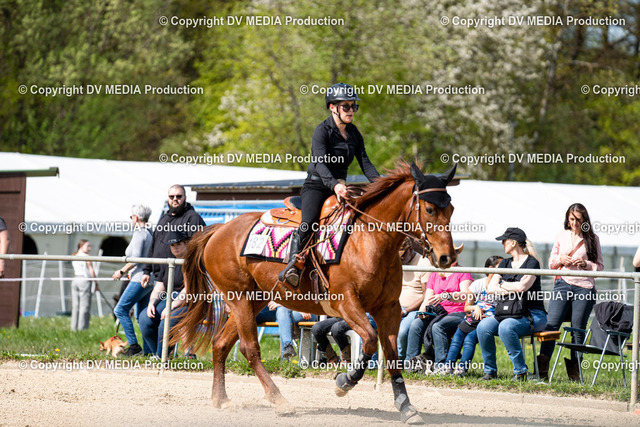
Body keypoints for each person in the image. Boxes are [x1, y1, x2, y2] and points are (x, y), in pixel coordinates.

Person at [279, 82, 380, 287]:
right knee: (309, 222)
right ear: (332, 107)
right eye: (346, 106)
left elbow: (366, 164)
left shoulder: (354, 133)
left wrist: (383, 186)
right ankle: (294, 264)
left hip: (340, 188)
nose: (351, 111)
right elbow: (320, 163)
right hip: (317, 186)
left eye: (354, 106)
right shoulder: (321, 131)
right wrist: (334, 185)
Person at [538, 204, 604, 380]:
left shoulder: (593, 238)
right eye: (572, 219)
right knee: (551, 325)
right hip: (562, 284)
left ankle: (575, 374)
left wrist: (585, 264)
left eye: (578, 220)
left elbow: (600, 267)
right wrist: (561, 259)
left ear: (585, 220)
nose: (574, 223)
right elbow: (551, 263)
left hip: (584, 287)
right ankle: (542, 372)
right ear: (567, 219)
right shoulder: (561, 235)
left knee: (577, 329)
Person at [477, 227, 547, 381]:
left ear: (513, 242)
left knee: (506, 327)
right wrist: (512, 286)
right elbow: (490, 289)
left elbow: (522, 287)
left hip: (532, 314)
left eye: (504, 241)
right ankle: (490, 371)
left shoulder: (532, 263)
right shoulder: (505, 263)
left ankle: (521, 372)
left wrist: (502, 284)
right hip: (507, 312)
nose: (502, 243)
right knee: (483, 326)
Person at [443, 256, 503, 377]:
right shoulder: (477, 284)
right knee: (457, 337)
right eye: (501, 266)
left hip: (487, 321)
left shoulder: (503, 286)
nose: (505, 268)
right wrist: (476, 308)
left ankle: (462, 368)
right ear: (491, 268)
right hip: (473, 318)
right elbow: (467, 307)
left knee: (469, 339)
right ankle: (447, 366)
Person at [405, 263, 472, 369]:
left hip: (458, 311)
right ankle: (410, 363)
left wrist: (447, 296)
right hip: (438, 312)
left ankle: (441, 365)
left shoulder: (462, 272)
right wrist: (421, 312)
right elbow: (428, 299)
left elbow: (466, 295)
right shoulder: (434, 275)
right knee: (416, 324)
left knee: (437, 326)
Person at [141, 184, 205, 288]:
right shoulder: (164, 218)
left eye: (178, 196)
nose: (175, 199)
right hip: (159, 278)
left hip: (180, 281)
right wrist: (146, 271)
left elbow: (196, 250)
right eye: (171, 197)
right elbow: (153, 245)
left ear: (185, 198)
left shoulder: (193, 218)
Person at [139, 231, 190, 357]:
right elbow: (159, 286)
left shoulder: (191, 262)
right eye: (172, 245)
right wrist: (151, 303)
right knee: (144, 319)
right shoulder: (169, 262)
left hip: (189, 301)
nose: (175, 247)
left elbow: (188, 290)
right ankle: (159, 354)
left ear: (186, 244)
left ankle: (162, 357)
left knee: (166, 321)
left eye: (178, 244)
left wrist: (170, 307)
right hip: (168, 298)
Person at [112, 205, 154, 357]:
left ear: (135, 217)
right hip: (148, 279)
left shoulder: (139, 233)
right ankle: (149, 350)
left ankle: (134, 346)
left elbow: (135, 258)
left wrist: (122, 271)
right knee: (142, 316)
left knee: (120, 309)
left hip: (139, 278)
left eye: (131, 217)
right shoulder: (149, 232)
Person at [397, 238, 431, 361]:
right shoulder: (396, 262)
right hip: (395, 308)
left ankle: (400, 362)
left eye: (402, 256)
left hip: (413, 310)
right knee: (368, 319)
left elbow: (426, 294)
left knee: (402, 332)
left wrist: (405, 311)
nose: (400, 259)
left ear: (410, 250)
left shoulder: (423, 263)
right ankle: (372, 362)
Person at [311, 315, 377, 366]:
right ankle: (333, 358)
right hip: (342, 316)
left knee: (336, 328)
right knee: (316, 328)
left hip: (356, 317)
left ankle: (347, 359)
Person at [70, 240, 97, 331]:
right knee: (84, 306)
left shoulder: (74, 255)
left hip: (75, 279)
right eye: (87, 246)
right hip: (84, 280)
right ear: (81, 246)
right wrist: (95, 283)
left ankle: (73, 328)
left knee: (75, 306)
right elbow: (91, 270)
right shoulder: (86, 257)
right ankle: (82, 328)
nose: (89, 248)